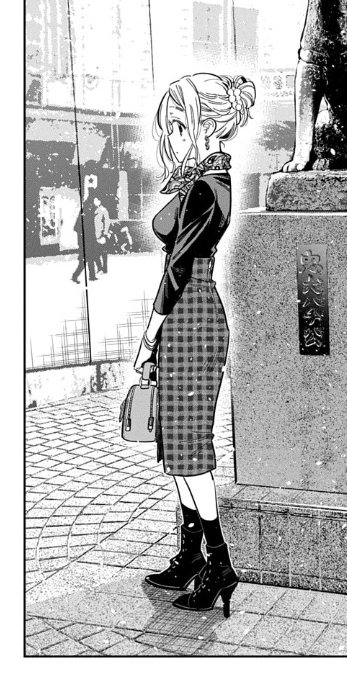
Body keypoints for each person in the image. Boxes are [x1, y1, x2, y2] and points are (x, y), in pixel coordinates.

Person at [133, 72, 256, 618]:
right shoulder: (201, 183)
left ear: (206, 125)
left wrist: (149, 335)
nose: (173, 138)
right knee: (179, 446)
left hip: (193, 318)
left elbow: (178, 268)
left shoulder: (209, 188)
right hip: (189, 317)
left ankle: (219, 565)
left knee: (190, 452)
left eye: (180, 126)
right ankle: (190, 556)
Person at [71, 195, 97, 283]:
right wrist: (83, 236)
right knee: (84, 260)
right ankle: (75, 276)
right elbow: (77, 227)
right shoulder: (85, 213)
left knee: (90, 259)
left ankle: (92, 276)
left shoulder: (88, 212)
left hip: (88, 241)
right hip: (85, 242)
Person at [91, 194, 111, 274]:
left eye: (96, 200)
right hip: (94, 235)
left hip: (101, 235)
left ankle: (104, 269)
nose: (94, 202)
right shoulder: (93, 210)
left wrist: (105, 234)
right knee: (94, 253)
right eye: (94, 200)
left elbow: (107, 222)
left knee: (103, 253)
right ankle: (99, 268)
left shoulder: (103, 210)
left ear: (100, 201)